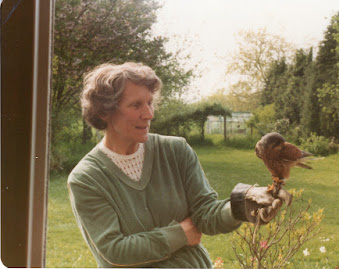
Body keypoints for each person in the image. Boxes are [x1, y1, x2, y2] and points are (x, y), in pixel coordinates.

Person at [68, 62, 291, 268]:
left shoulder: (176, 151)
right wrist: (181, 234)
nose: (149, 114)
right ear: (105, 112)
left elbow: (205, 214)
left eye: (150, 102)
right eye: (136, 105)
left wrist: (241, 204)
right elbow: (115, 250)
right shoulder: (87, 178)